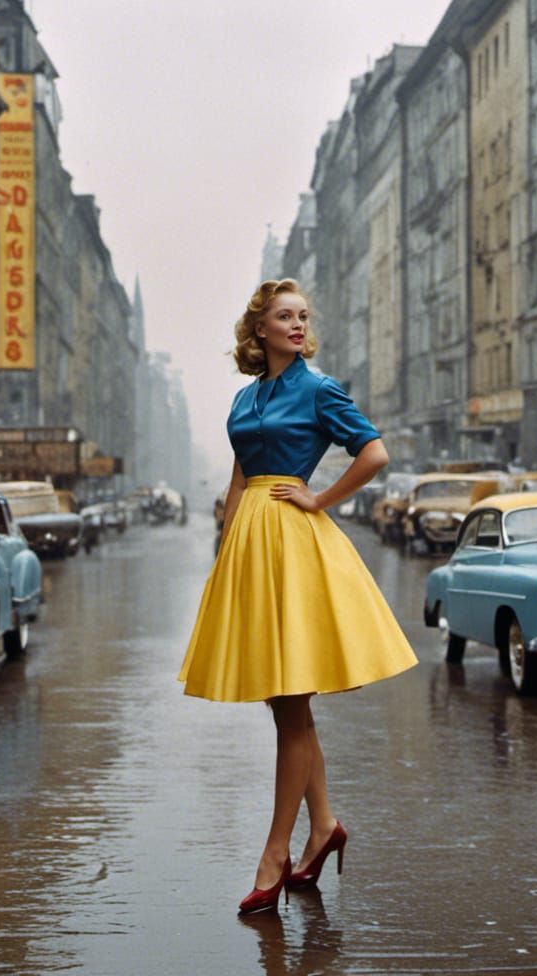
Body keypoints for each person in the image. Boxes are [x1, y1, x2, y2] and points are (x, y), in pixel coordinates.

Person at [178, 278, 418, 915]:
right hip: (252, 546)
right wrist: (224, 549)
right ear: (259, 329)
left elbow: (374, 453)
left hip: (292, 541)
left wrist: (319, 498)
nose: (296, 324)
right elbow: (237, 476)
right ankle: (324, 825)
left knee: (290, 697)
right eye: (284, 316)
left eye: (302, 316)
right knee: (283, 701)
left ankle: (276, 851)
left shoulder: (318, 388)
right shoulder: (245, 397)